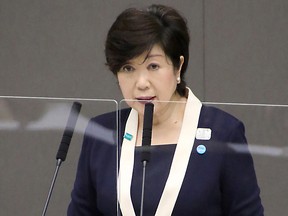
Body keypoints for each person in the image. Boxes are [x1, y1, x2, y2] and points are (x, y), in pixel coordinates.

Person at [68, 4, 264, 215]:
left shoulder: (223, 132)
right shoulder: (101, 133)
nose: (141, 83)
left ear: (178, 66)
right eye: (128, 68)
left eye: (153, 66)